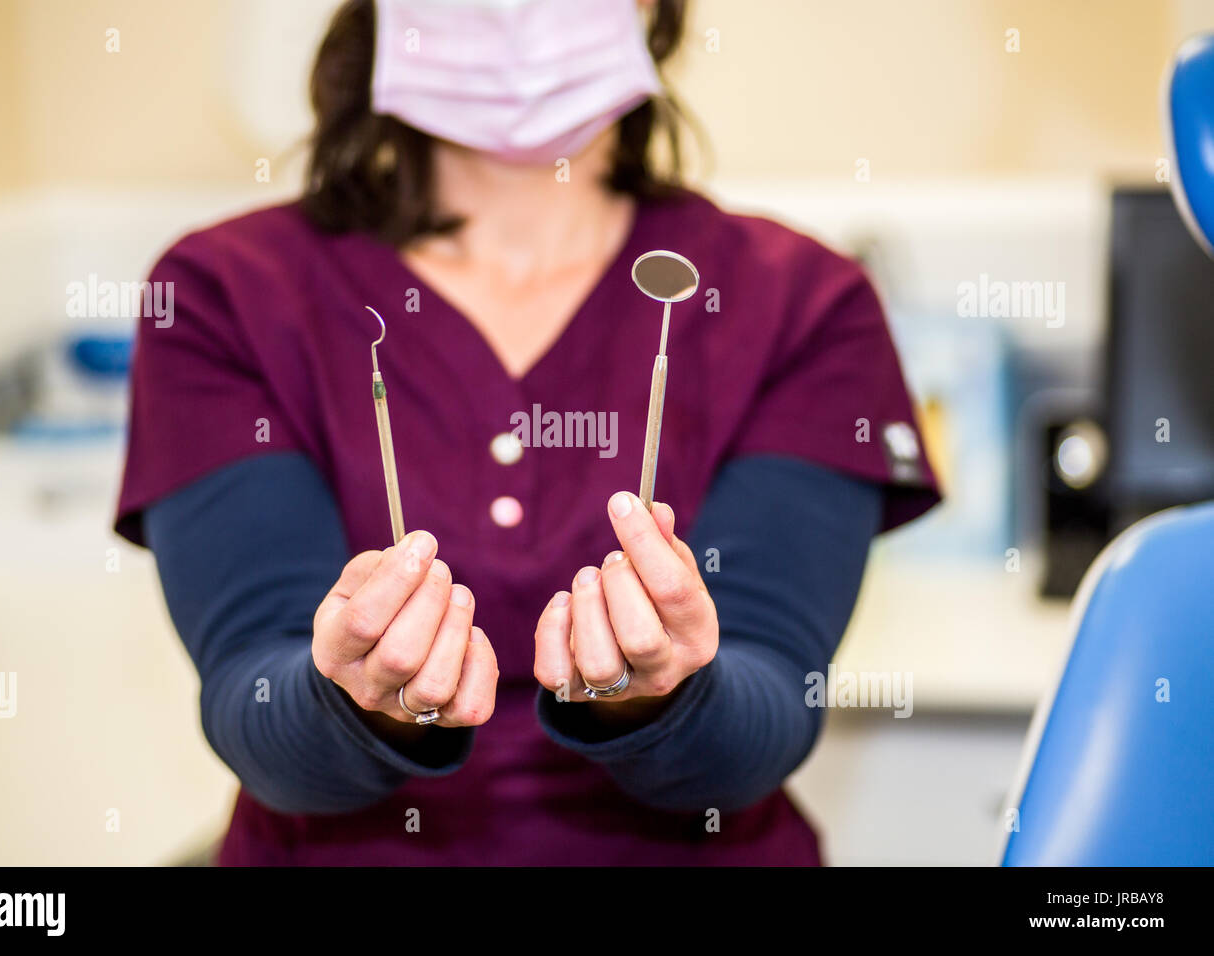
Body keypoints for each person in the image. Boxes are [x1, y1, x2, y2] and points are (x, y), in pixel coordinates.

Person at [115, 0, 940, 865]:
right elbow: (257, 710)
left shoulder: (803, 303)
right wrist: (349, 698)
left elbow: (764, 721)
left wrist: (658, 697)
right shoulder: (223, 294)